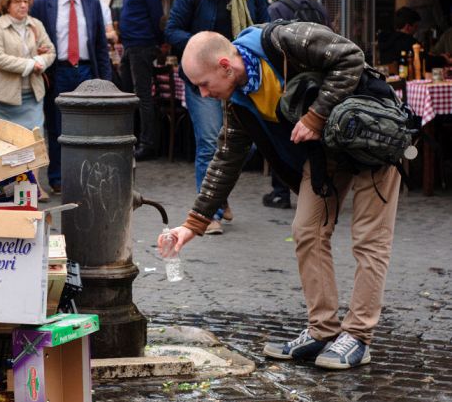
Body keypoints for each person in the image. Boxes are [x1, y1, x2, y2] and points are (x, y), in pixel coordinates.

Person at [161, 24, 399, 370]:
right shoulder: (238, 101)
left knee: (369, 238)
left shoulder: (284, 42)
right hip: (327, 154)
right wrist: (192, 225)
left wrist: (315, 116)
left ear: (225, 66)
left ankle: (359, 337)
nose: (203, 94)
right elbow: (226, 158)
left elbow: (350, 57)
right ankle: (323, 331)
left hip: (372, 135)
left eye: (204, 84)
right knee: (307, 231)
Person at [164, 0, 268, 233]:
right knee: (210, 142)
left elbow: (266, 29)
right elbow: (171, 31)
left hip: (240, 76)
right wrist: (205, 48)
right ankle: (211, 214)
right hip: (206, 80)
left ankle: (220, 193)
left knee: (251, 141)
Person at [31, 0, 111, 194]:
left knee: (89, 126)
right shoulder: (42, 3)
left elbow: (101, 44)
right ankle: (58, 178)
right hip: (58, 71)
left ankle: (88, 175)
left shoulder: (92, 3)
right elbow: (32, 36)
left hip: (86, 70)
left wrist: (106, 81)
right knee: (57, 126)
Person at [263, 0, 329, 210]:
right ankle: (319, 188)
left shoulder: (276, 9)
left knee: (284, 137)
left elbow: (270, 49)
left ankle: (281, 192)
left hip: (290, 86)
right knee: (315, 137)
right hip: (318, 83)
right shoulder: (319, 8)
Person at [0, 0, 55, 130]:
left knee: (34, 140)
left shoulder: (36, 24)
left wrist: (40, 61)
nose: (23, 5)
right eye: (18, 2)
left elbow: (51, 51)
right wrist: (29, 65)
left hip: (33, 95)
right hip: (4, 97)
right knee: (6, 144)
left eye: (25, 1)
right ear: (7, 5)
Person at [118, 0, 163, 161]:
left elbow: (156, 13)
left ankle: (148, 144)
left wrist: (160, 40)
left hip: (142, 43)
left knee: (142, 95)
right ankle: (133, 138)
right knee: (128, 94)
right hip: (131, 44)